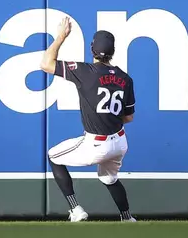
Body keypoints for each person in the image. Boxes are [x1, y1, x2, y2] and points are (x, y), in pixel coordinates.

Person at [40, 16, 137, 222]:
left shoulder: (86, 71)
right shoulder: (125, 78)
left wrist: (61, 36)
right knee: (109, 178)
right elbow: (128, 117)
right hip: (119, 141)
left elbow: (46, 63)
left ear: (92, 49)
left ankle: (76, 210)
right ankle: (127, 218)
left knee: (53, 156)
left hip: (96, 144)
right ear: (112, 52)